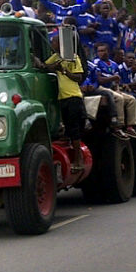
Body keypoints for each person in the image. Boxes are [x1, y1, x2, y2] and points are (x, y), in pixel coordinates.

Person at [44, 35, 86, 172]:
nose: (52, 44)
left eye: (54, 42)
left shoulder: (73, 57)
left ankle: (79, 160)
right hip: (63, 98)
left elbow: (79, 77)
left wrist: (64, 71)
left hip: (73, 96)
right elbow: (45, 66)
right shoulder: (56, 57)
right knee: (68, 130)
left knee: (74, 131)